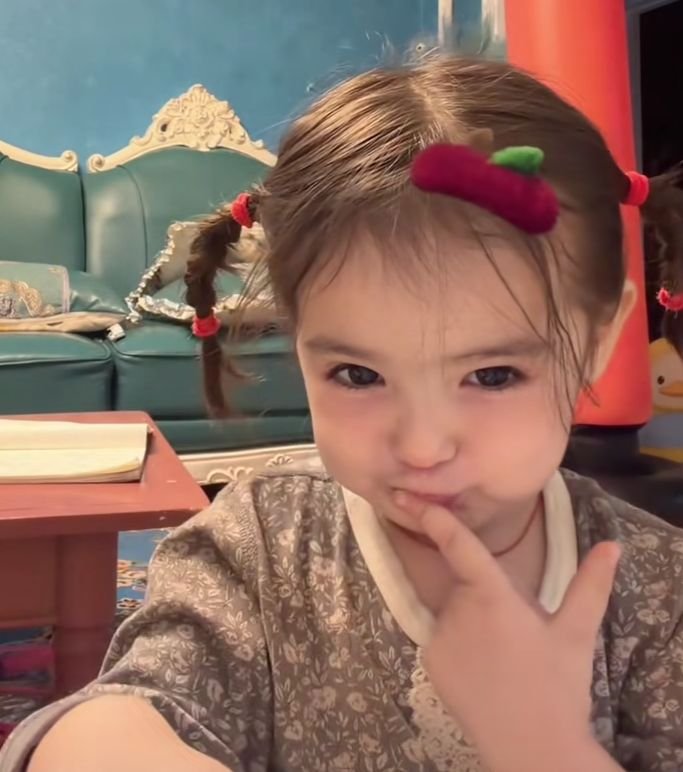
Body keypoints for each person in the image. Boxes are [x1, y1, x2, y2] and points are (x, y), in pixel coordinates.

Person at [4, 54, 683, 772]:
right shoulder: (262, 547)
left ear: (599, 341)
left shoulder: (655, 592)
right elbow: (115, 721)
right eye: (358, 375)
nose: (422, 447)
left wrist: (544, 748)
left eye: (492, 375)